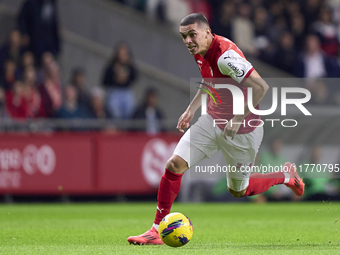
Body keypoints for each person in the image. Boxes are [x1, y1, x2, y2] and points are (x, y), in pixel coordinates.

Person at [127, 13, 305, 245]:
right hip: (211, 121)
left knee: (238, 191)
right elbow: (209, 80)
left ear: (208, 32)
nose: (188, 41)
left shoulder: (225, 56)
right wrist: (191, 110)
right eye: (184, 37)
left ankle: (285, 176)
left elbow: (261, 87)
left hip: (242, 131)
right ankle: (155, 230)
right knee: (174, 165)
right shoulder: (201, 50)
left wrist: (238, 118)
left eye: (192, 34)